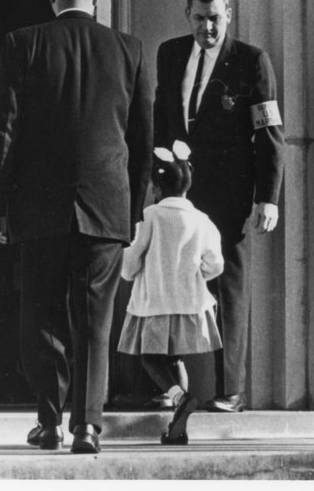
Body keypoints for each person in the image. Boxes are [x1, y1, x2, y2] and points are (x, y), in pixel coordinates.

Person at [0, 0, 153, 454]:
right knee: (96, 322)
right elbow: (143, 138)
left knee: (41, 314)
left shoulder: (24, 42)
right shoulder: (129, 49)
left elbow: (5, 129)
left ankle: (50, 420)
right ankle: (89, 426)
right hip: (106, 207)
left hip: (39, 207)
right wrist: (132, 207)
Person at [153, 0, 284, 412]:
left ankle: (230, 391)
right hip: (177, 193)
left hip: (229, 195)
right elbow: (161, 119)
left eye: (215, 18)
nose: (207, 27)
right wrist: (157, 182)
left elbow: (269, 133)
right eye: (199, 17)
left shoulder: (251, 61)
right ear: (186, 14)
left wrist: (268, 198)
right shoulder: (170, 54)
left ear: (230, 14)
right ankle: (171, 386)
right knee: (169, 280)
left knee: (228, 288)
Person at [117, 140, 223, 445]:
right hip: (188, 303)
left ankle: (179, 397)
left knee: (150, 357)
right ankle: (179, 425)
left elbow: (133, 256)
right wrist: (195, 276)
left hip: (154, 303)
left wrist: (129, 272)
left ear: (157, 187)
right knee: (175, 359)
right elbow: (215, 264)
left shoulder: (150, 216)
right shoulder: (202, 220)